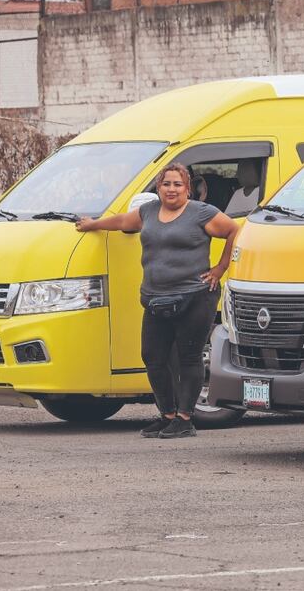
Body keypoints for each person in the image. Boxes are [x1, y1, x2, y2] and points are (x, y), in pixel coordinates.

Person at [76, 162, 240, 439]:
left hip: (194, 296)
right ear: (159, 188)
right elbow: (122, 222)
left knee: (189, 357)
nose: (171, 189)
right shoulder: (148, 211)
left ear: (187, 188)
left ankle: (185, 419)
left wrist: (220, 269)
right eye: (166, 184)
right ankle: (167, 415)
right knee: (152, 357)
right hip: (155, 298)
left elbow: (234, 231)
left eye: (177, 184)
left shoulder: (201, 213)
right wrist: (94, 224)